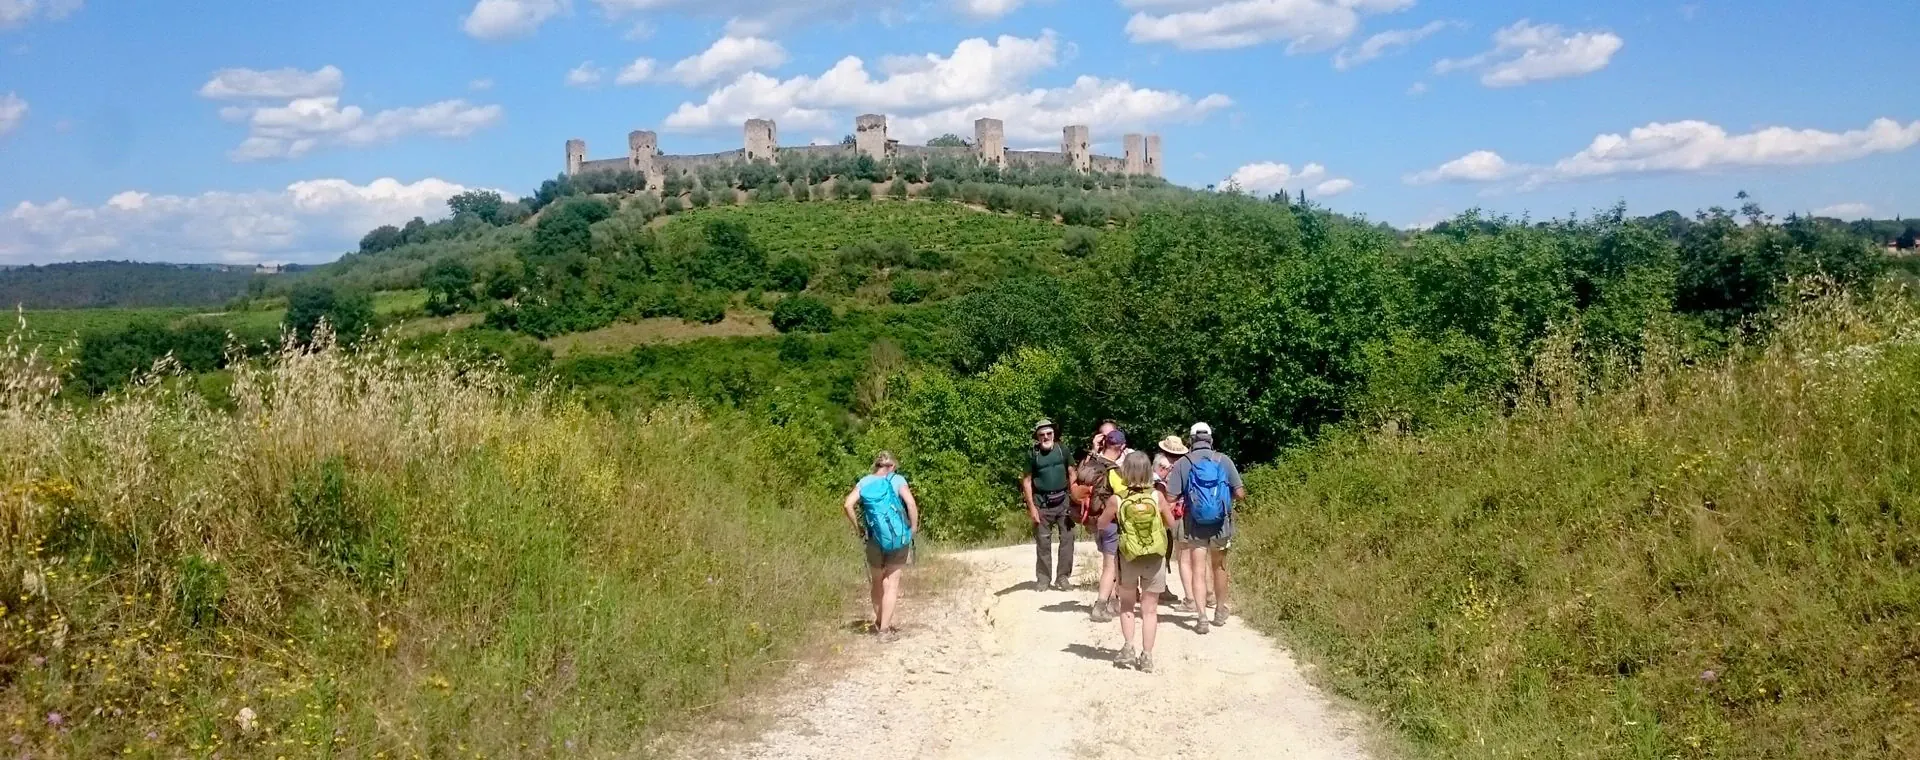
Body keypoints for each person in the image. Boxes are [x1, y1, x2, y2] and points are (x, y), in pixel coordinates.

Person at [1096, 451, 1177, 672]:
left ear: (1125, 473)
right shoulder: (1157, 497)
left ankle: (1128, 647)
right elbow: (1170, 523)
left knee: (1127, 605)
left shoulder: (1117, 498)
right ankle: (1147, 656)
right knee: (1150, 610)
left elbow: (1102, 524)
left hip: (1128, 557)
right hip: (1155, 557)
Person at [1165, 423, 1246, 634]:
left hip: (1195, 524)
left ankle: (1201, 617)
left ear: (1191, 440)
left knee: (1198, 569)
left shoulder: (1183, 463)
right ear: (1211, 439)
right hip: (1221, 523)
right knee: (1219, 566)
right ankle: (1219, 610)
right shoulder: (1223, 460)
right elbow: (1240, 493)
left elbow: (1171, 497)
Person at [841, 451, 920, 642]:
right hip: (897, 539)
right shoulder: (897, 479)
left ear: (876, 465)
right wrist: (913, 528)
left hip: (874, 538)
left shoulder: (864, 482)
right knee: (891, 585)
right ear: (891, 466)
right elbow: (910, 503)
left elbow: (847, 505)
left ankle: (878, 622)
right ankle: (884, 630)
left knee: (877, 582)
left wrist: (858, 528)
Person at [1082, 426, 1129, 622]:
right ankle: (1099, 607)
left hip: (1094, 521)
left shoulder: (1092, 463)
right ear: (1122, 447)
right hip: (1110, 521)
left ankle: (1111, 602)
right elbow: (1123, 495)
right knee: (1110, 565)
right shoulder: (1113, 470)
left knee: (1110, 561)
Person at [1023, 419, 1076, 591]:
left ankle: (1063, 578)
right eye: (1042, 435)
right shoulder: (1032, 454)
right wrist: (1031, 507)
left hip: (1063, 501)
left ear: (1054, 434)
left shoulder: (1063, 450)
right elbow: (1027, 480)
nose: (1046, 437)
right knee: (1043, 542)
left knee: (1068, 540)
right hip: (1042, 503)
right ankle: (1044, 579)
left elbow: (1072, 471)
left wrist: (1074, 496)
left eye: (1049, 433)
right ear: (1037, 437)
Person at [1153, 437, 1194, 610]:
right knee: (1191, 555)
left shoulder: (1160, 464)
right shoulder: (1186, 465)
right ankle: (1204, 594)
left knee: (1165, 552)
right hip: (1185, 512)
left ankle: (1162, 589)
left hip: (1168, 513)